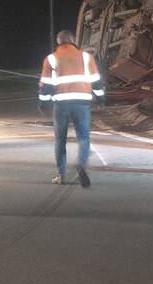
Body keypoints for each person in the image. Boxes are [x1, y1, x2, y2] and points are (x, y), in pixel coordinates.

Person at [38, 30, 104, 187]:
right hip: (82, 103)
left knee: (60, 140)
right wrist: (100, 98)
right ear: (74, 40)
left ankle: (61, 174)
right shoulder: (86, 57)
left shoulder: (51, 59)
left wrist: (43, 103)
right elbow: (96, 81)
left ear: (58, 41)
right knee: (83, 137)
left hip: (61, 104)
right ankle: (81, 164)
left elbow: (45, 85)